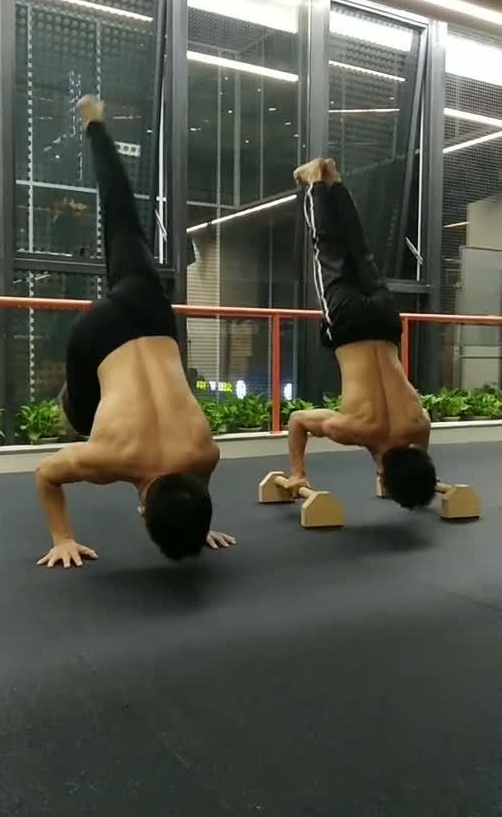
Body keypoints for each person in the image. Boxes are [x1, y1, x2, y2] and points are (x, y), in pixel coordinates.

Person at [37, 96, 235, 568]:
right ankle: (76, 399)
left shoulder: (205, 453)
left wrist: (200, 518)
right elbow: (46, 473)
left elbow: (201, 481)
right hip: (96, 333)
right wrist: (62, 539)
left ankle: (96, 126)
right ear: (142, 508)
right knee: (81, 418)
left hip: (151, 313)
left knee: (122, 216)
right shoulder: (107, 459)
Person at [284, 157, 437, 508]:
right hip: (347, 324)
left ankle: (334, 182)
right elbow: (297, 421)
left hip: (385, 322)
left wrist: (410, 466)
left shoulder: (418, 424)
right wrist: (298, 472)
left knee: (359, 247)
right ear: (382, 473)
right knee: (327, 249)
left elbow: (421, 441)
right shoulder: (353, 429)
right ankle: (314, 181)